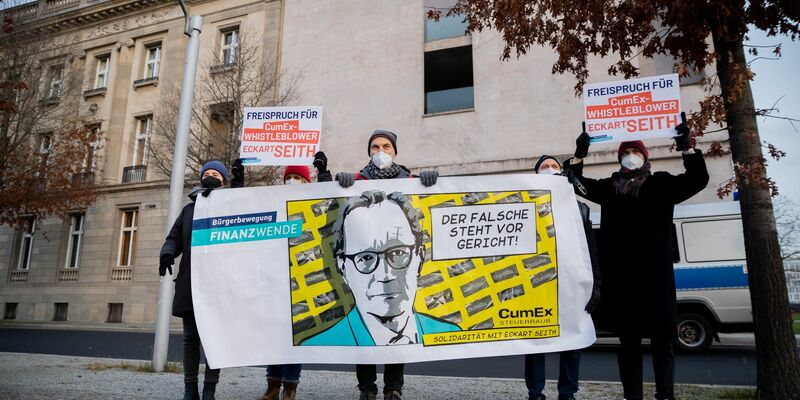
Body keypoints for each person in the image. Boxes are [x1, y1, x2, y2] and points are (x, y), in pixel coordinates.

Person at [564, 116, 709, 400]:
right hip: (623, 283)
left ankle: (665, 395)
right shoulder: (610, 188)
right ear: (620, 158)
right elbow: (575, 184)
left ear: (645, 156)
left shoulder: (661, 184)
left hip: (656, 281)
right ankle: (633, 396)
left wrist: (687, 148)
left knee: (663, 343)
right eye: (626, 152)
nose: (631, 156)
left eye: (635, 152)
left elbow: (698, 180)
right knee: (628, 344)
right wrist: (580, 154)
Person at [333, 130, 440, 400]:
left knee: (397, 316)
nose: (381, 151)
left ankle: (394, 387)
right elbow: (328, 199)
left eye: (386, 146)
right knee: (367, 332)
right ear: (344, 267)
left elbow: (430, 197)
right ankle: (366, 388)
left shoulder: (409, 181)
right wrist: (335, 181)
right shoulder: (357, 181)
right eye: (375, 147)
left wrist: (430, 182)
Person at [159, 159, 243, 400]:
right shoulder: (189, 210)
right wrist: (167, 253)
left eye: (216, 173)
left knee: (215, 339)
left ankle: (209, 390)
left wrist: (239, 182)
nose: (211, 176)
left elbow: (243, 207)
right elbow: (174, 238)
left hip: (219, 283)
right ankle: (190, 390)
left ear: (223, 180)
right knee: (190, 339)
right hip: (190, 282)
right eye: (208, 173)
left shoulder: (228, 205)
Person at [523, 156, 601, 400]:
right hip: (538, 285)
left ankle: (567, 393)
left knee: (572, 341)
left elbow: (591, 250)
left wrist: (596, 285)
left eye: (554, 166)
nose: (550, 169)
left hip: (571, 284)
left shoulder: (580, 208)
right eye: (544, 167)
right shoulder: (525, 204)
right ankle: (535, 393)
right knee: (535, 343)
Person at [260, 153, 331, 400]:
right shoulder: (274, 203)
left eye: (297, 177)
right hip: (278, 279)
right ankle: (273, 385)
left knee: (297, 335)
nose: (292, 181)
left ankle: (290, 387)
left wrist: (324, 174)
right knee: (276, 336)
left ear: (307, 181)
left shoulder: (312, 203)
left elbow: (329, 202)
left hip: (304, 278)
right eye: (288, 177)